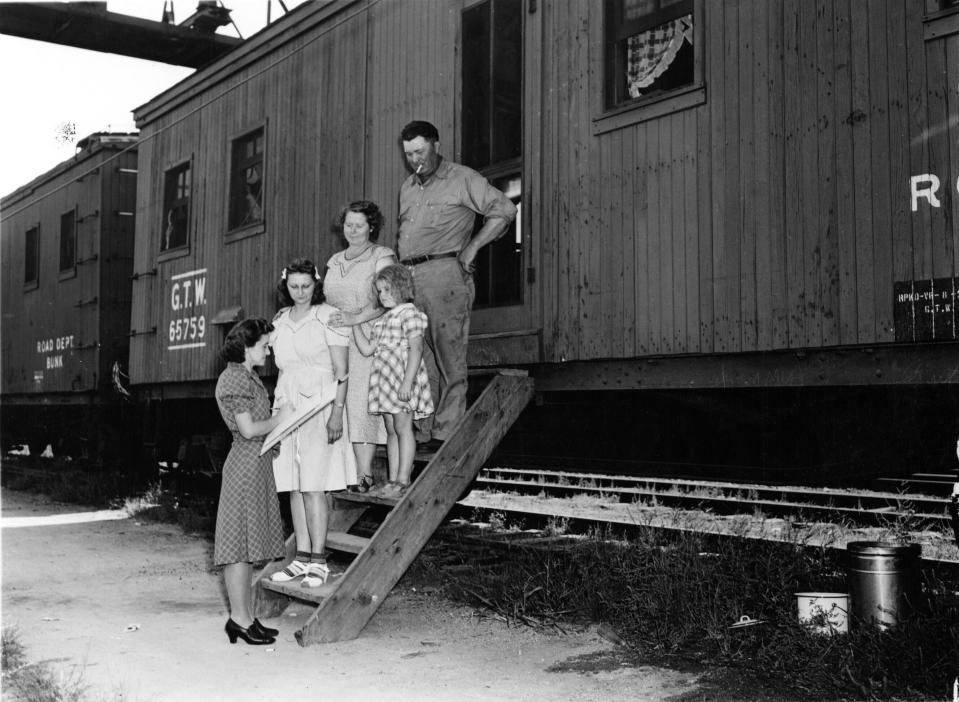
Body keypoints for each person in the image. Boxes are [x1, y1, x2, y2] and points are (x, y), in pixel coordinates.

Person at [396, 120, 517, 450]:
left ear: (436, 145)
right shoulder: (407, 187)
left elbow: (504, 209)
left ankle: (445, 432)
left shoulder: (462, 178)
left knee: (449, 356)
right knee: (418, 359)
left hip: (445, 275)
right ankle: (422, 432)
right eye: (408, 153)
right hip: (409, 279)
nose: (414, 159)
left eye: (420, 151)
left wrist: (473, 246)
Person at [268, 259, 357, 588]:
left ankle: (319, 561)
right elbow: (281, 370)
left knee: (314, 485)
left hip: (320, 407)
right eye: (294, 286)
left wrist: (337, 412)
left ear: (315, 285)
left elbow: (342, 372)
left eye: (306, 286)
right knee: (293, 483)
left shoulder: (328, 316)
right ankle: (301, 557)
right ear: (286, 285)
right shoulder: (279, 321)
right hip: (288, 408)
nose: (300, 292)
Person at [214, 318, 290, 645]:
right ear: (247, 346)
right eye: (264, 345)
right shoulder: (234, 378)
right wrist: (281, 419)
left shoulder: (247, 376)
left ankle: (244, 617)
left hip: (255, 465)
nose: (269, 350)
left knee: (244, 546)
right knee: (237, 548)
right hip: (245, 465)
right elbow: (247, 429)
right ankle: (239, 619)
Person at [324, 200, 397, 493]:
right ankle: (343, 472)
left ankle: (364, 475)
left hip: (366, 332)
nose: (352, 230)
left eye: (359, 225)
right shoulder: (333, 260)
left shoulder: (381, 255)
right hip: (334, 337)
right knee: (335, 403)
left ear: (371, 227)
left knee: (359, 403)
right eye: (348, 225)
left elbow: (388, 295)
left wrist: (356, 317)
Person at [353, 265, 433, 498]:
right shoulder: (383, 320)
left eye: (387, 289)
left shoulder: (409, 313)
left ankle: (403, 479)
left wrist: (407, 382)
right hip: (385, 381)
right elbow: (368, 349)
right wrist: (355, 323)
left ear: (402, 287)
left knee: (402, 427)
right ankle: (393, 478)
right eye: (379, 291)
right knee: (390, 430)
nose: (383, 295)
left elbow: (416, 349)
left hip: (401, 379)